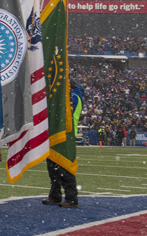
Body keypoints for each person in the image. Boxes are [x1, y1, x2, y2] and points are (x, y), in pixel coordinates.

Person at [42, 79, 81, 208]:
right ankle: (55, 195)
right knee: (53, 168)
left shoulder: (73, 97)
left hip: (66, 135)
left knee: (65, 167)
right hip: (56, 133)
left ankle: (71, 198)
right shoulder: (66, 95)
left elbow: (65, 112)